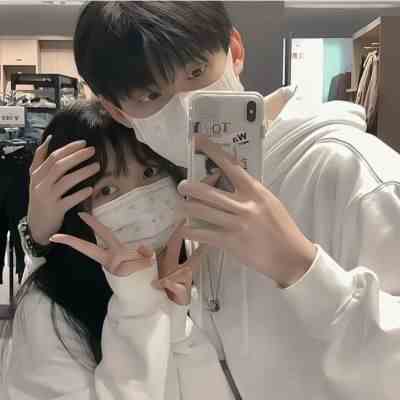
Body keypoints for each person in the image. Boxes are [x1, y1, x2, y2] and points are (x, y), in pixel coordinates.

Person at [22, 2, 400, 399]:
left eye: (196, 71)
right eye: (150, 94)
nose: (185, 105)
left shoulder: (353, 172)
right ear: (118, 111)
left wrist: (299, 265)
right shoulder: (188, 188)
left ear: (234, 51)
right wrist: (38, 237)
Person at [1, 101, 235, 400]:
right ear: (70, 208)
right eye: (107, 189)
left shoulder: (194, 265)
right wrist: (138, 308)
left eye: (150, 171)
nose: (140, 200)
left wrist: (175, 323)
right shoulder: (49, 311)